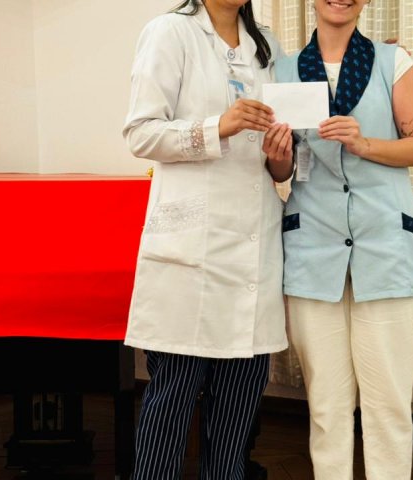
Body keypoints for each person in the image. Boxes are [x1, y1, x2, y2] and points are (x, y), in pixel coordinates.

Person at [122, 1, 293, 478]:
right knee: (171, 402)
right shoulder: (169, 33)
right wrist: (220, 125)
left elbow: (278, 165)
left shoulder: (267, 45)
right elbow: (140, 135)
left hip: (253, 252)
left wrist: (281, 157)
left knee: (237, 413)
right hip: (190, 256)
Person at [272, 0, 413, 478]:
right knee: (326, 406)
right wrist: (276, 155)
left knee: (388, 405)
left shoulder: (392, 62)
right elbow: (282, 170)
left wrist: (364, 144)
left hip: (386, 249)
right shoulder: (284, 71)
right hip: (312, 251)